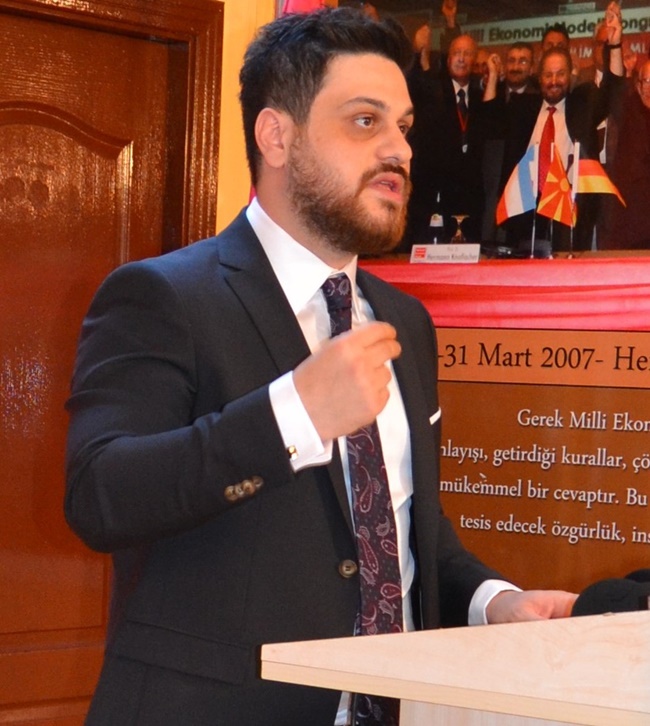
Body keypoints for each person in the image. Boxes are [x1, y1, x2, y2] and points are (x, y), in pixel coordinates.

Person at [64, 8, 576, 726]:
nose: (399, 148)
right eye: (365, 121)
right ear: (277, 136)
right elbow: (102, 496)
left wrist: (493, 602)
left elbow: (403, 530)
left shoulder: (405, 322)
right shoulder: (162, 296)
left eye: (403, 126)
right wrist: (292, 416)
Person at [483, 2, 625, 252]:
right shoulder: (522, 107)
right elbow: (489, 122)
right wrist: (493, 77)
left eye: (560, 74)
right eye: (548, 75)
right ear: (539, 78)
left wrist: (614, 45)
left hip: (568, 210)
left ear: (570, 76)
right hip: (526, 210)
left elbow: (612, 91)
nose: (554, 81)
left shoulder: (583, 104)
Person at [403, 25, 487, 246]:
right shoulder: (434, 89)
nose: (461, 58)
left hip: (468, 195)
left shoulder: (479, 96)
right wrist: (418, 52)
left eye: (467, 54)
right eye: (456, 53)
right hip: (433, 193)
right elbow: (414, 84)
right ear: (448, 59)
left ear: (474, 60)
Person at [600, 59, 650, 249]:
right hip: (633, 220)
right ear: (638, 86)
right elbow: (614, 90)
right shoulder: (629, 111)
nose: (649, 88)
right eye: (646, 81)